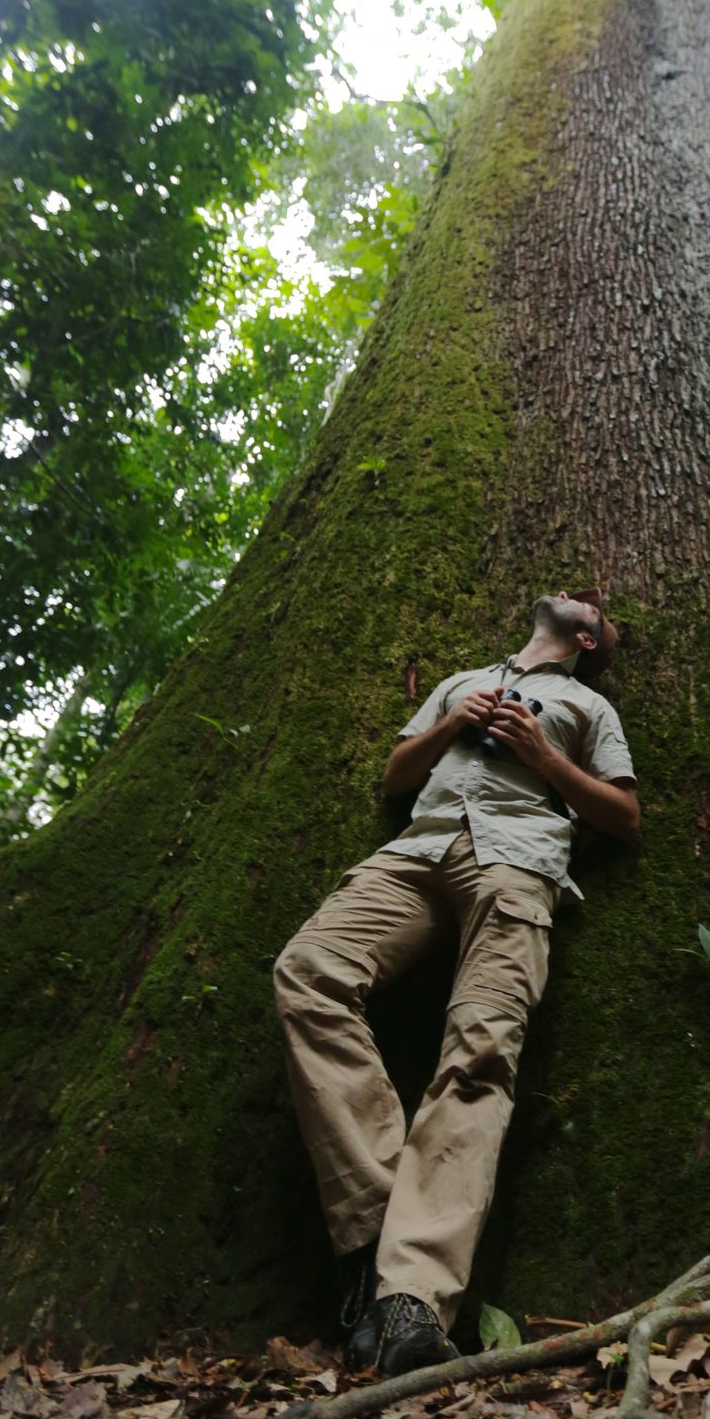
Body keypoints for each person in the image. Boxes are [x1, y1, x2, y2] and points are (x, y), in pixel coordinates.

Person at [274, 589, 640, 1377]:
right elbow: (394, 779)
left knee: (479, 1057)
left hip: (516, 864)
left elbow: (625, 816)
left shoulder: (590, 709)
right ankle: (381, 1222)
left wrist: (546, 759)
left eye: (592, 608)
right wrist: (452, 724)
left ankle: (410, 1298)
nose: (583, 598)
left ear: (584, 637)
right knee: (308, 974)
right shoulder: (463, 680)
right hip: (415, 856)